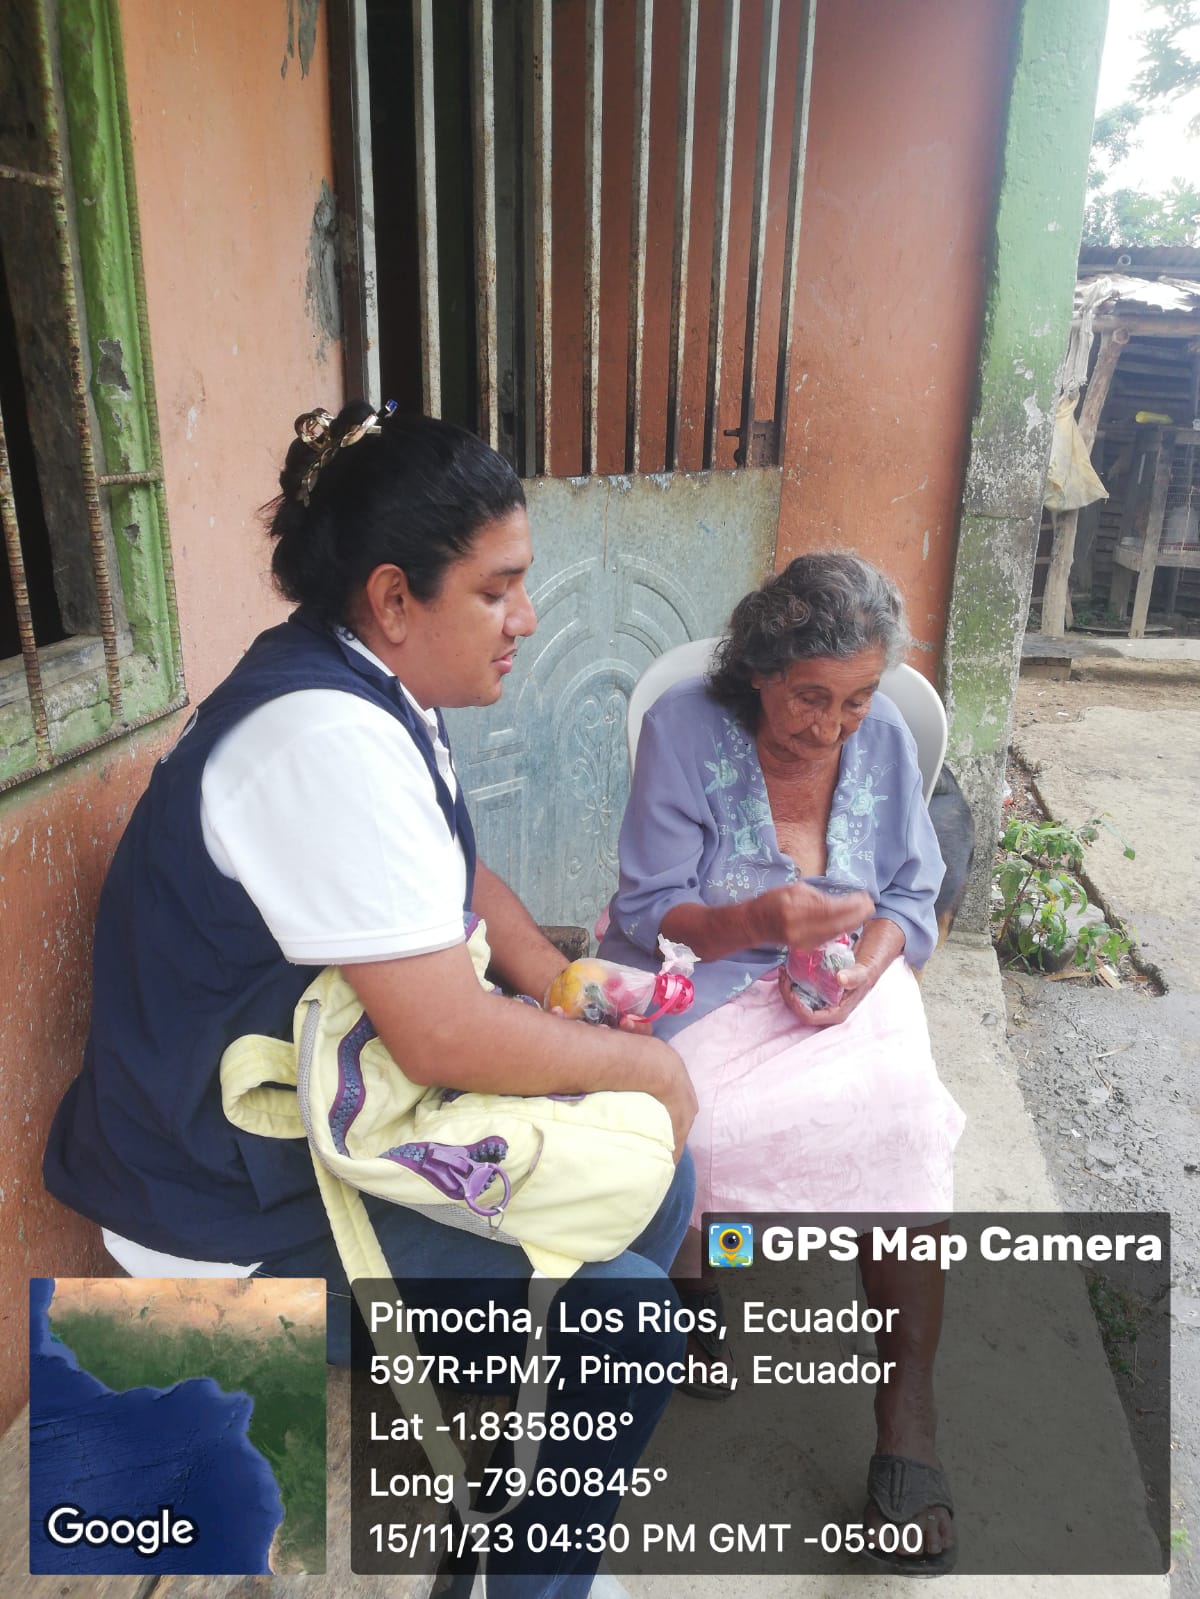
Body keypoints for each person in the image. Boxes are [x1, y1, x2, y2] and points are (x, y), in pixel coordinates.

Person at [43, 401, 698, 1599]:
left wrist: (551, 976)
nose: (526, 618)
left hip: (298, 1130)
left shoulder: (364, 680)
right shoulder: (323, 741)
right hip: (222, 1210)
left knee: (660, 1177)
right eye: (497, 590)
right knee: (628, 1315)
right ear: (396, 597)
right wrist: (648, 1066)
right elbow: (441, 1034)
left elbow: (453, 878)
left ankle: (526, 1468)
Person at [598, 551, 966, 1573]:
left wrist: (868, 968)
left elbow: (910, 893)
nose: (832, 726)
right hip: (707, 970)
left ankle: (907, 1409)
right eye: (810, 697)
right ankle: (699, 1289)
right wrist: (757, 921)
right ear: (760, 669)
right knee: (694, 1132)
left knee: (905, 1118)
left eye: (856, 698)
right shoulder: (683, 729)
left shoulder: (883, 739)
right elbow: (648, 906)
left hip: (846, 977)